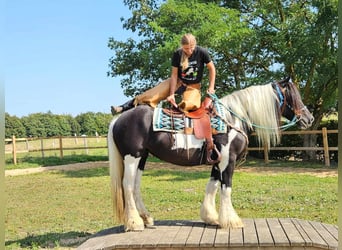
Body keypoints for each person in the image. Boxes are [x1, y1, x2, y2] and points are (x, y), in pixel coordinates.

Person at [111, 33, 216, 115]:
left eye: (191, 48)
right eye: (186, 48)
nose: (189, 51)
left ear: (195, 44)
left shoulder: (202, 52)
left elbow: (212, 69)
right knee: (152, 95)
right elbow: (174, 75)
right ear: (182, 46)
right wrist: (171, 94)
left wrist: (211, 87)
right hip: (178, 82)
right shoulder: (178, 54)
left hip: (193, 86)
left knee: (189, 105)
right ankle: (123, 107)